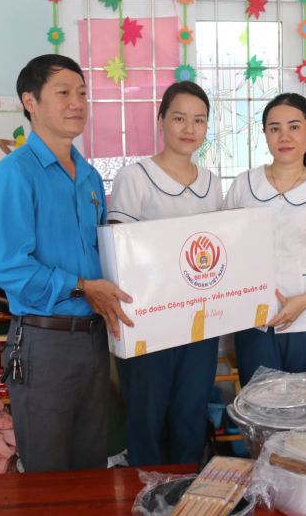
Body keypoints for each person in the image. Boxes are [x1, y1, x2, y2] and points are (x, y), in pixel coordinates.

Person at [0, 54, 134, 472]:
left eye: (82, 93)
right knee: (48, 470)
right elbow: (6, 266)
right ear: (30, 101)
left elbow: (100, 252)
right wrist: (82, 286)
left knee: (90, 463)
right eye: (63, 93)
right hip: (44, 343)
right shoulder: (14, 175)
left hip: (93, 339)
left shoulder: (89, 177)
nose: (77, 103)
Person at [108, 81, 222, 466]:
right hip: (148, 321)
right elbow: (120, 252)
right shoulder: (134, 177)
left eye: (199, 120)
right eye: (179, 118)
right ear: (161, 121)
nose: (189, 128)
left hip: (200, 322)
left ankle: (185, 489)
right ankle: (146, 491)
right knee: (146, 416)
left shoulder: (211, 183)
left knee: (191, 413)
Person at [223, 93, 306, 386]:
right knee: (260, 405)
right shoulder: (244, 185)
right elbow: (227, 249)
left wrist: (303, 301)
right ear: (265, 134)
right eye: (275, 128)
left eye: (294, 127)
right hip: (255, 322)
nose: (284, 136)